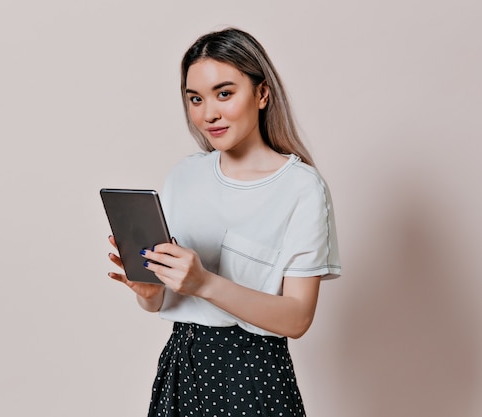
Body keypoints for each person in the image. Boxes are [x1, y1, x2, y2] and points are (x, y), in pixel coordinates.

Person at [108, 27, 341, 417]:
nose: (208, 113)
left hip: (252, 377)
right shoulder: (184, 176)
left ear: (262, 93)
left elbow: (298, 317)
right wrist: (149, 294)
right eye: (195, 99)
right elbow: (169, 301)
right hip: (181, 367)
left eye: (225, 93)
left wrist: (205, 283)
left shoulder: (301, 188)